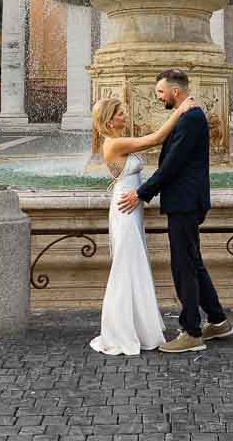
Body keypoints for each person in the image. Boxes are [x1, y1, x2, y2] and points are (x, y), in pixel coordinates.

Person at [118, 69, 232, 353]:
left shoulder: (191, 118)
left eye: (160, 92)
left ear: (175, 92)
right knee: (193, 262)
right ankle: (218, 320)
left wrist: (143, 194)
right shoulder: (187, 115)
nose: (158, 98)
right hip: (187, 200)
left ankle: (191, 331)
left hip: (185, 202)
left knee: (183, 266)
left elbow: (172, 165)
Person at [88, 94, 197, 356]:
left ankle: (138, 327)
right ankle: (121, 331)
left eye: (124, 112)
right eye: (120, 113)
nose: (125, 116)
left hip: (131, 208)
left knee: (134, 265)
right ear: (109, 120)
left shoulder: (119, 141)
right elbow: (155, 139)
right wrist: (180, 110)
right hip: (125, 209)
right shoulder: (114, 144)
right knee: (126, 266)